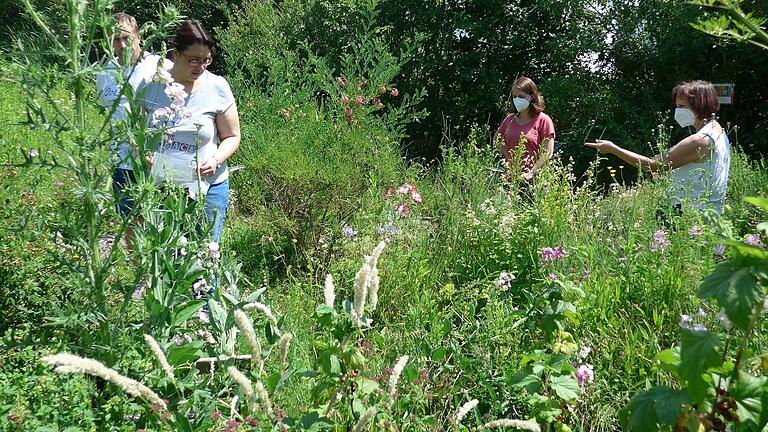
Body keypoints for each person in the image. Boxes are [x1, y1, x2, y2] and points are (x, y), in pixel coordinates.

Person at [140, 19, 241, 244]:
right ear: (175, 53)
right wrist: (143, 155)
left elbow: (232, 137)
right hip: (161, 188)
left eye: (206, 60)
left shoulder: (217, 87)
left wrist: (215, 160)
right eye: (194, 60)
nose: (201, 67)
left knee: (204, 258)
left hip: (208, 187)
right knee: (164, 255)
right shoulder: (152, 85)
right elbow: (136, 134)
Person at [585, 80, 730, 214]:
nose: (677, 110)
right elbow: (702, 167)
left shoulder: (699, 140)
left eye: (681, 106)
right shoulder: (717, 131)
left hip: (691, 214)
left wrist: (612, 148)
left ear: (699, 105)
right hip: (710, 211)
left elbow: (652, 165)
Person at [97, 13, 169, 219]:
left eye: (126, 38)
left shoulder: (159, 66)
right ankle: (133, 253)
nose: (121, 44)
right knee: (129, 220)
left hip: (156, 159)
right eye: (115, 39)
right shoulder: (104, 72)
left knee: (160, 219)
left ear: (139, 37)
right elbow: (107, 109)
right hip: (121, 159)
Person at [497, 77, 556, 181]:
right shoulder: (509, 119)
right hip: (510, 178)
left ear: (532, 97)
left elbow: (548, 152)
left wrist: (531, 173)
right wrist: (508, 157)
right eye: (514, 97)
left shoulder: (543, 120)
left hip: (535, 181)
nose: (517, 100)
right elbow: (497, 140)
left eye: (521, 96)